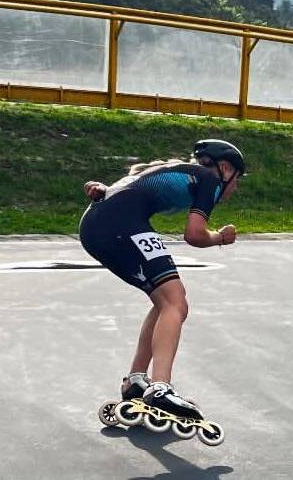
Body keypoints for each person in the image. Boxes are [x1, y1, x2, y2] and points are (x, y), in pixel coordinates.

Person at [80, 139, 244, 420]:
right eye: (237, 179)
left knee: (164, 301)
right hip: (120, 224)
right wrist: (220, 237)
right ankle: (160, 387)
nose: (236, 187)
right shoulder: (209, 178)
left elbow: (122, 190)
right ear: (225, 168)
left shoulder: (177, 170)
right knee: (176, 302)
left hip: (97, 225)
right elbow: (194, 234)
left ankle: (136, 381)